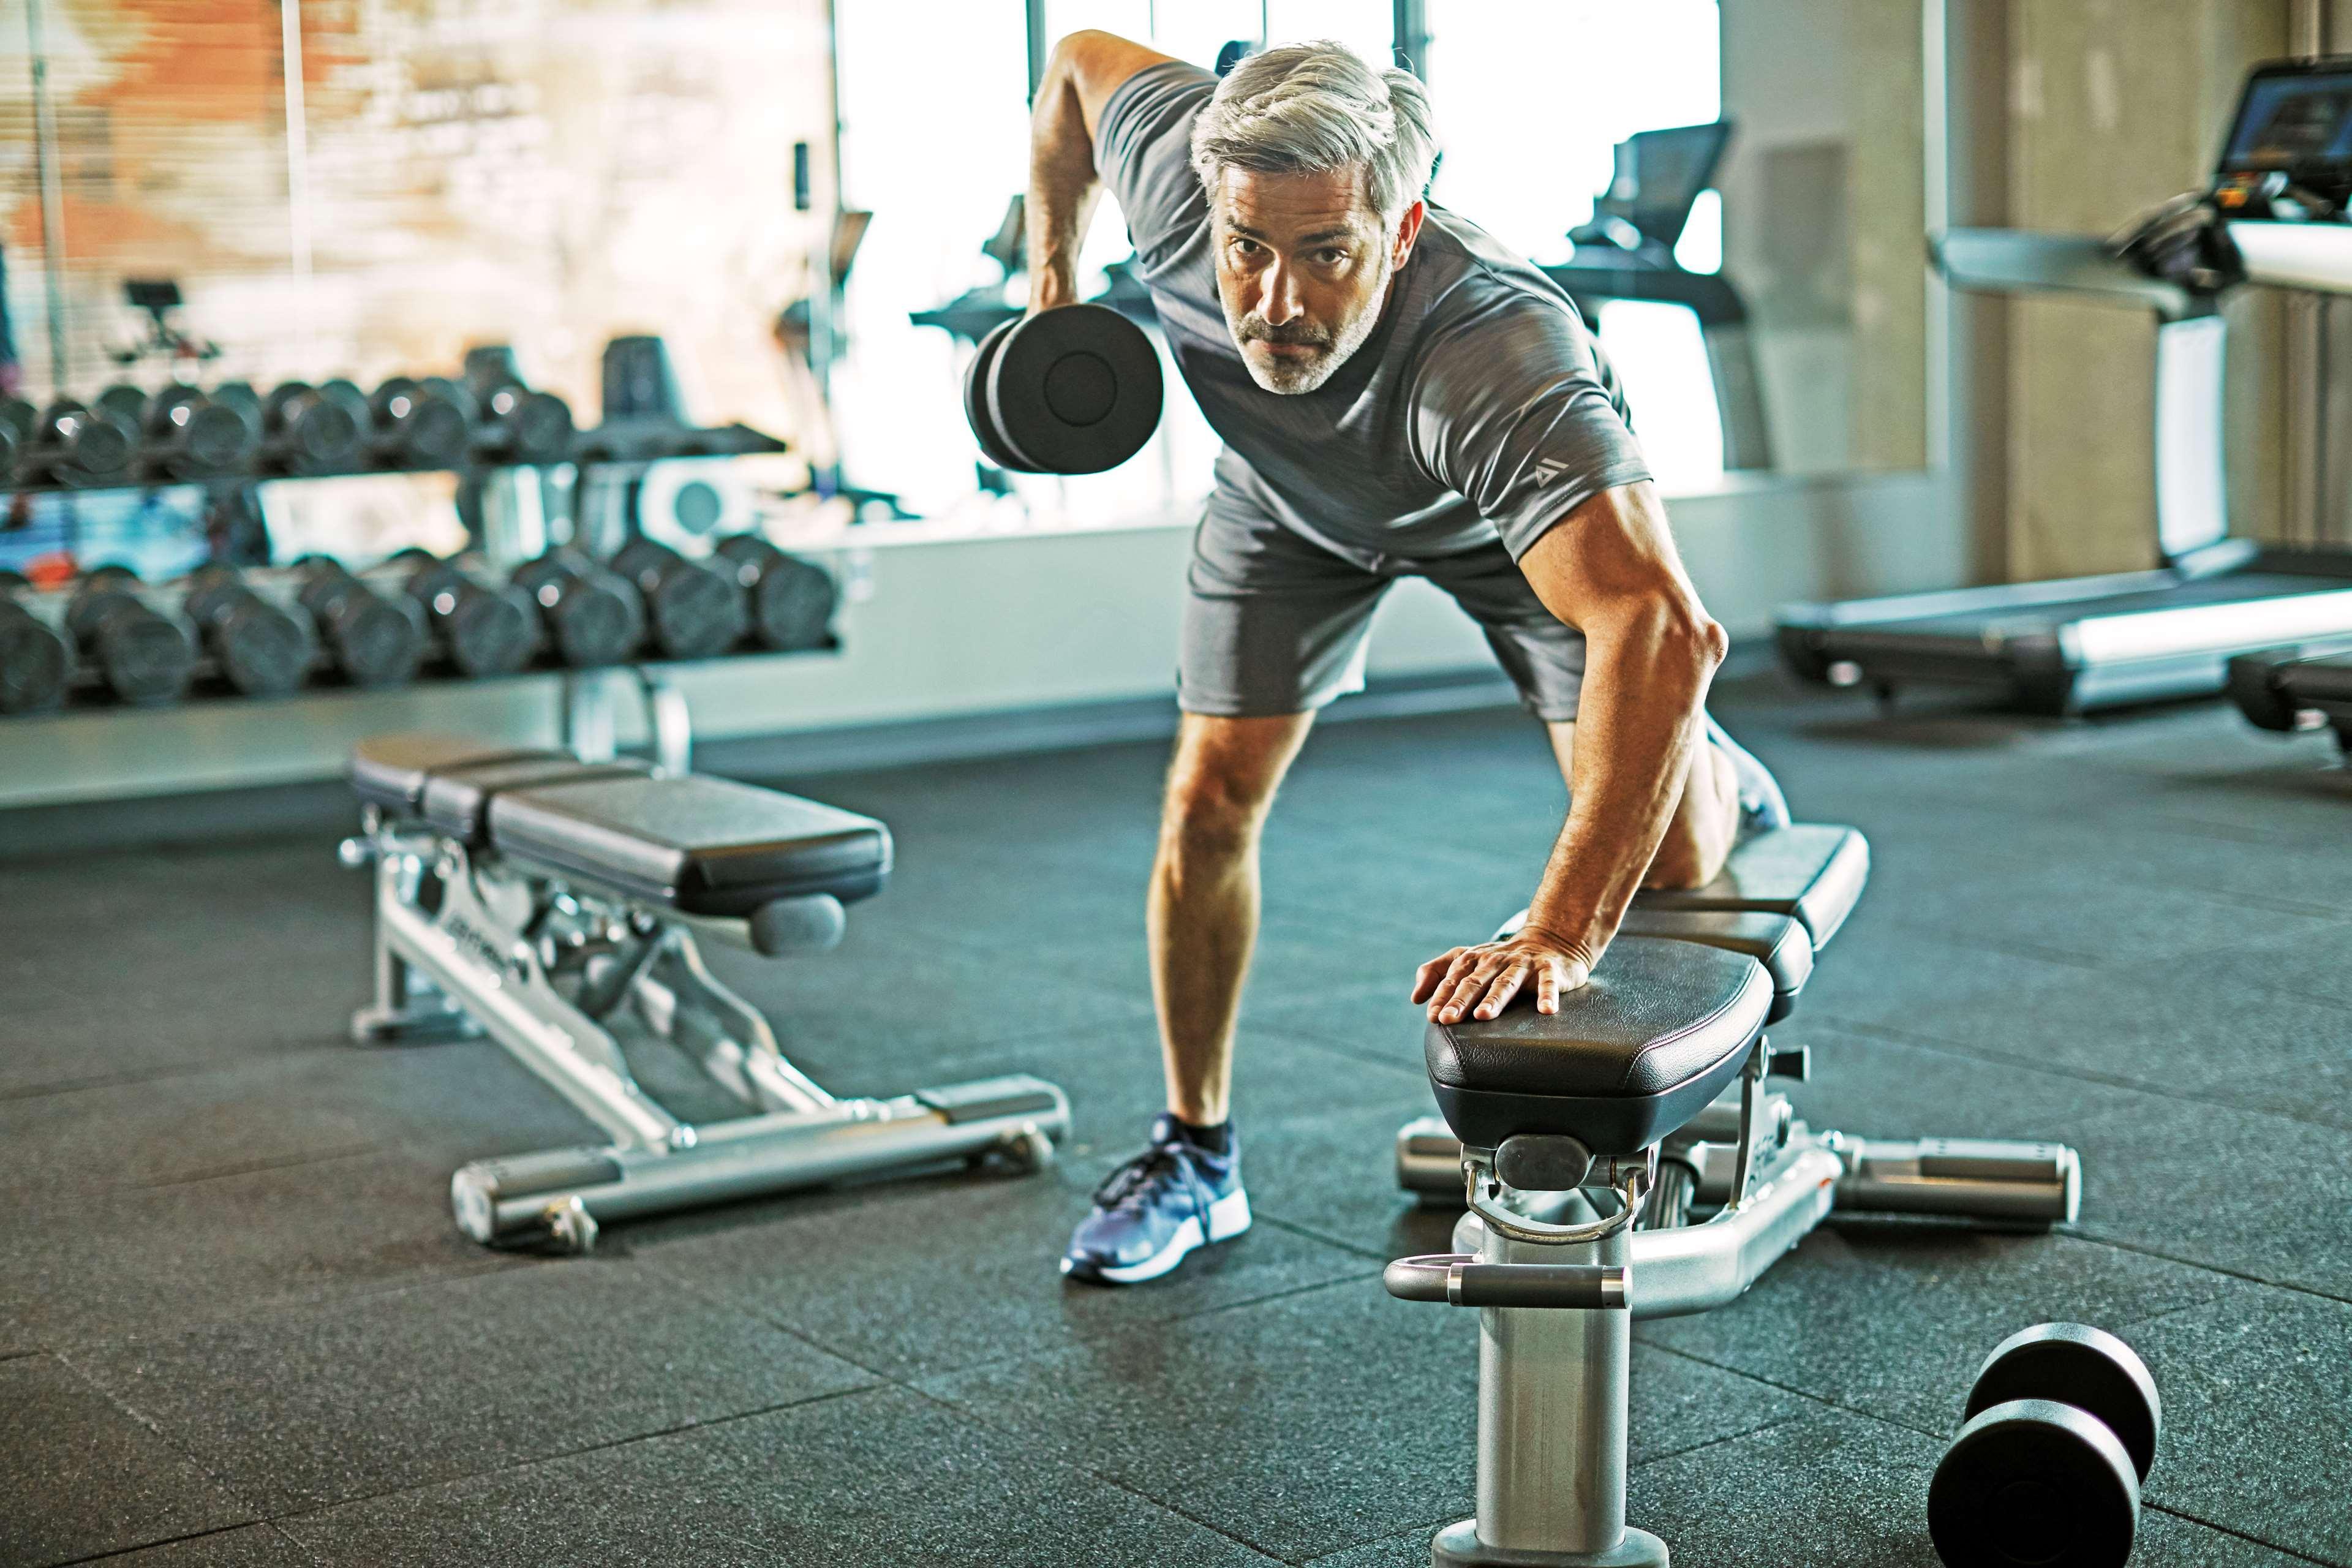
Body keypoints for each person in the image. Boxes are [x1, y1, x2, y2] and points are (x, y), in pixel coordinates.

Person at [1033, 34, 1789, 1284]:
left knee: (1675, 855)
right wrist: (1051, 286)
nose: (1275, 301)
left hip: (1498, 526)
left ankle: (1705, 764)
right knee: (1207, 796)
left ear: (1401, 227)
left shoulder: (1495, 354)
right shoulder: (1173, 167)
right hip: (1286, 499)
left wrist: (1556, 931)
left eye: (1325, 253)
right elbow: (1071, 68)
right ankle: (1195, 1153)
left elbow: (1664, 628)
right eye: (1247, 249)